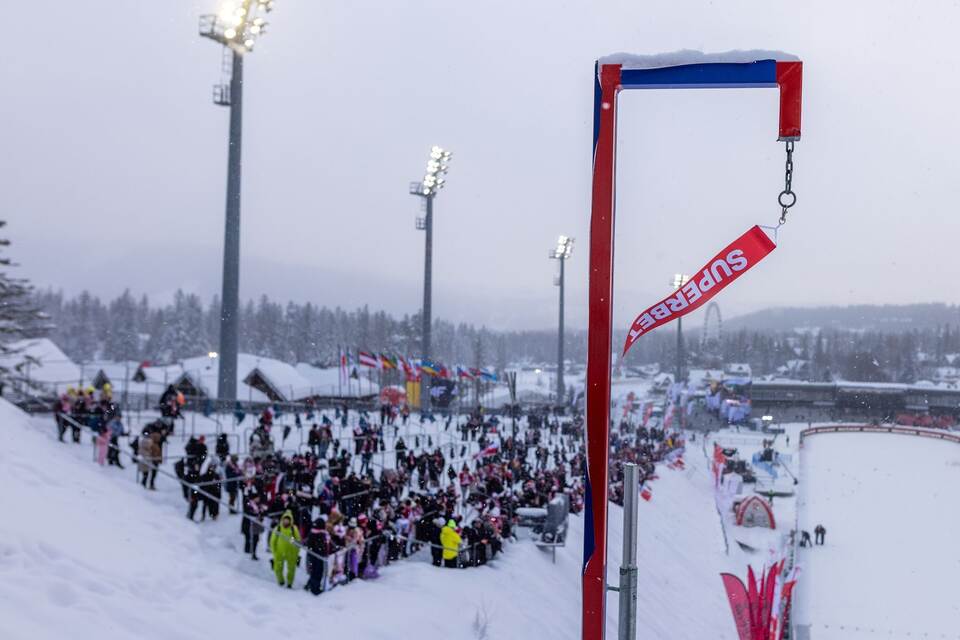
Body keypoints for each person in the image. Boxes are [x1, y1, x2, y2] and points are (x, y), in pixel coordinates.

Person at [269, 509, 301, 588]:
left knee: (291, 569)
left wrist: (296, 551)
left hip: (291, 552)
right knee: (278, 568)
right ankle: (281, 581)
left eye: (288, 520)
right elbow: (273, 541)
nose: (286, 521)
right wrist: (274, 551)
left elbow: (297, 540)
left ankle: (290, 582)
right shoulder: (278, 528)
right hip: (279, 552)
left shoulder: (294, 529)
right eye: (285, 520)